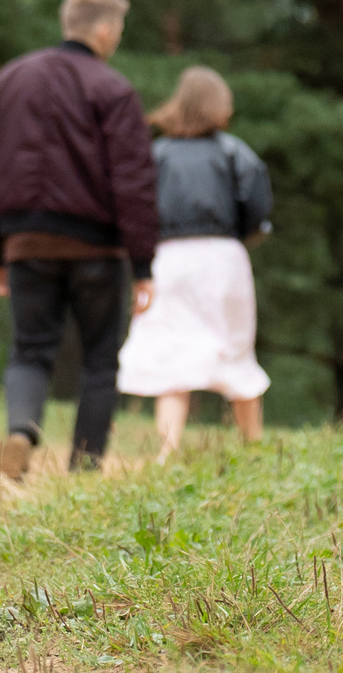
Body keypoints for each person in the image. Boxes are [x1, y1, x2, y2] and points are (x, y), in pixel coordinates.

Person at [0, 0, 159, 479]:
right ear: (101, 29)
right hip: (94, 246)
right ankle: (84, 473)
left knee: (31, 349)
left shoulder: (9, 80)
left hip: (25, 241)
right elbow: (134, 180)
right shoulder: (112, 89)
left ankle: (21, 430)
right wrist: (143, 264)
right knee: (100, 360)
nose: (117, 38)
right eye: (117, 28)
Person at [117, 66, 273, 461]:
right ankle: (252, 446)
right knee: (236, 349)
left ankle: (167, 452)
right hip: (224, 258)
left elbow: (136, 210)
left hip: (169, 258)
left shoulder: (156, 154)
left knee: (172, 352)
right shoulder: (235, 152)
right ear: (221, 106)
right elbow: (258, 211)